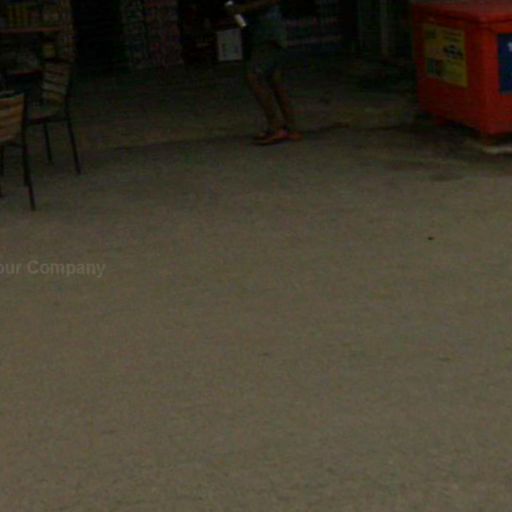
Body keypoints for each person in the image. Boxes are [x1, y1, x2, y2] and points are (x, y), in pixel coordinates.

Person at [226, 0, 302, 145]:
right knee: (275, 79)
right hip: (267, 31)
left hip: (267, 32)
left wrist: (244, 7)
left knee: (253, 76)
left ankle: (275, 127)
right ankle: (291, 128)